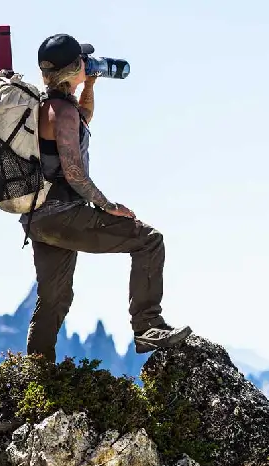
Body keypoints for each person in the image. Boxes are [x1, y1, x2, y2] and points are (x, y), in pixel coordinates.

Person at [22, 33, 191, 362]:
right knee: (148, 240)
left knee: (54, 296)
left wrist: (90, 86)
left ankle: (37, 371)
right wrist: (106, 205)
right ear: (73, 68)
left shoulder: (48, 107)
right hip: (63, 213)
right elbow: (73, 170)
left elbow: (83, 120)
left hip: (37, 218)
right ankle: (148, 325)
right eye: (83, 62)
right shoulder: (61, 112)